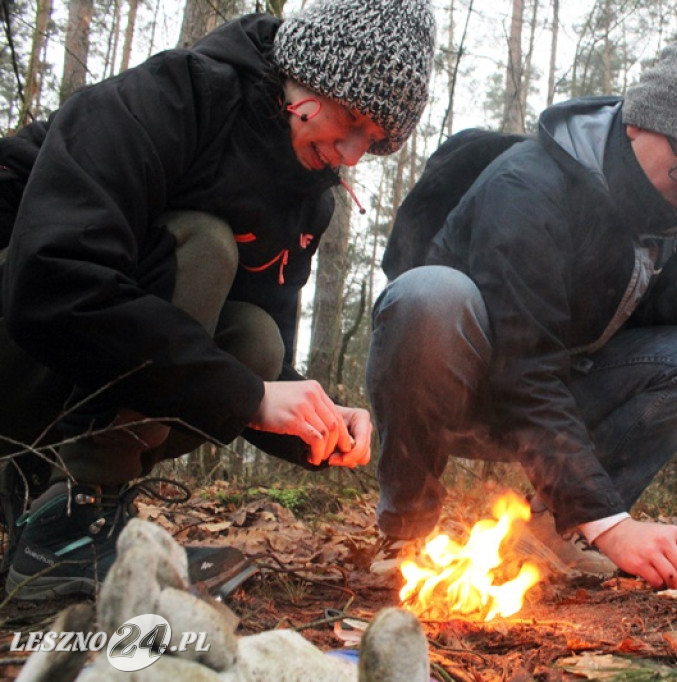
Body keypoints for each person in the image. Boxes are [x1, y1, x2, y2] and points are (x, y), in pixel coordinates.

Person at [0, 0, 435, 600]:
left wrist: (320, 422)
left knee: (255, 337)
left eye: (376, 140)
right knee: (203, 246)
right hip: (21, 334)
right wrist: (249, 396)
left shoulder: (307, 199)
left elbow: (256, 365)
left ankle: (69, 509)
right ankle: (68, 527)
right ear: (313, 70)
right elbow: (53, 279)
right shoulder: (174, 97)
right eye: (353, 120)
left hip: (68, 378)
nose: (353, 154)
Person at [365, 31, 677, 593]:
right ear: (640, 121)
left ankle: (546, 531)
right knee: (430, 296)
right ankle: (408, 531)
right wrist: (612, 522)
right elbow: (523, 366)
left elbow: (622, 319)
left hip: (560, 396)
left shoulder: (666, 207)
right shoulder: (531, 185)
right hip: (468, 388)